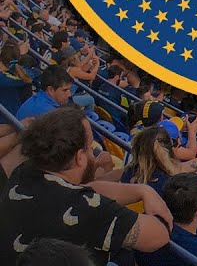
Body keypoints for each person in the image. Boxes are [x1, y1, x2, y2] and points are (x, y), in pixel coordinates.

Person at [0, 107, 172, 265]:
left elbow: (87, 188)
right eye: (90, 147)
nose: (93, 153)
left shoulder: (23, 172)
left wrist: (142, 190)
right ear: (79, 157)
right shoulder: (87, 209)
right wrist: (152, 195)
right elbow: (158, 235)